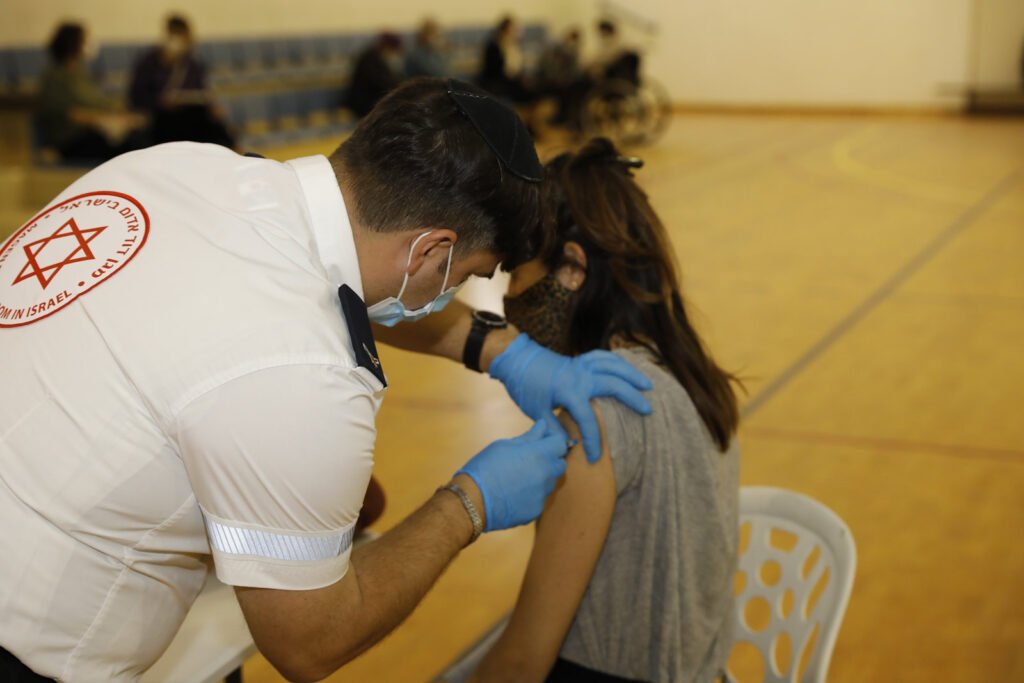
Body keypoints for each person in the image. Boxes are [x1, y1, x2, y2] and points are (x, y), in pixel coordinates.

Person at [0, 78, 652, 682]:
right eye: (461, 275)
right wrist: (468, 502)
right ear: (430, 250)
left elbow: (320, 283)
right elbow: (309, 639)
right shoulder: (306, 377)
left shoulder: (177, 167)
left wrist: (500, 351)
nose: (455, 292)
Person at [470, 138, 742, 683]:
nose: (507, 302)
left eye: (515, 277)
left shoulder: (597, 411)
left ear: (571, 269)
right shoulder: (695, 374)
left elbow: (523, 662)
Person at [35, 22, 148, 161]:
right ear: (74, 44)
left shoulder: (81, 73)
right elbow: (70, 114)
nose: (89, 44)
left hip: (95, 131)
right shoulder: (54, 77)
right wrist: (104, 121)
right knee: (129, 148)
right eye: (85, 40)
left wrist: (121, 116)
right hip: (70, 139)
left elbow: (98, 102)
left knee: (141, 136)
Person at [128, 14, 235, 148]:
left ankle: (231, 150)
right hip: (162, 119)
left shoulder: (192, 63)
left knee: (211, 120)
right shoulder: (149, 62)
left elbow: (202, 91)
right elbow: (136, 97)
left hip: (192, 116)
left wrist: (212, 106)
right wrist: (160, 101)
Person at [478, 15, 535, 105]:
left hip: (509, 80)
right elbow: (496, 70)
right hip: (496, 81)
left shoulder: (513, 45)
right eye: (513, 29)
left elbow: (517, 67)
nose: (517, 32)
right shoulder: (494, 45)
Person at [347, 32, 405, 118]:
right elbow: (381, 82)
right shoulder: (370, 59)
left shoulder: (377, 57)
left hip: (372, 99)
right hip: (363, 103)